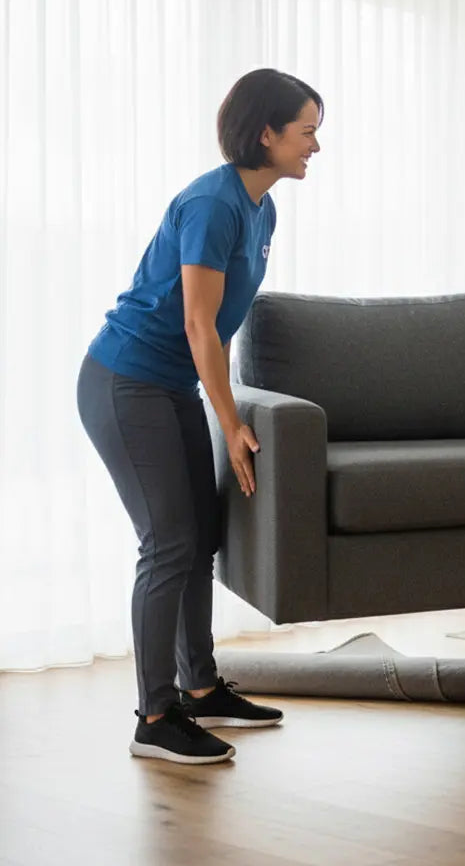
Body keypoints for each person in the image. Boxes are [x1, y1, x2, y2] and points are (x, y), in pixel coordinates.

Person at [77, 68, 323, 762]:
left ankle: (201, 689)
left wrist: (221, 408)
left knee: (201, 535)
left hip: (170, 385)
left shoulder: (262, 209)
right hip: (125, 381)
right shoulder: (214, 205)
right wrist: (229, 420)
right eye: (307, 131)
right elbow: (197, 323)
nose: (315, 146)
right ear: (266, 132)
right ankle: (154, 719)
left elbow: (222, 323)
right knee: (168, 542)